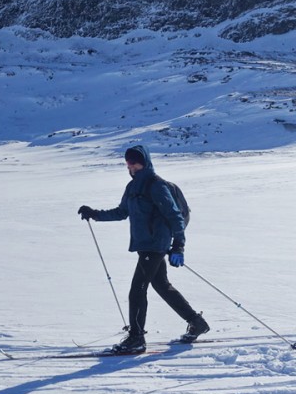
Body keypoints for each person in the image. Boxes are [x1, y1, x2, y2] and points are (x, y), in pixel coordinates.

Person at [78, 145, 209, 354]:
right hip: (145, 246)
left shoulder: (156, 185)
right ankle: (196, 322)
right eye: (129, 163)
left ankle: (136, 338)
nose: (131, 166)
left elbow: (175, 216)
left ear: (145, 162)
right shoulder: (132, 187)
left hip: (155, 246)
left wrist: (179, 246)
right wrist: (94, 213)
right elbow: (122, 212)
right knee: (162, 286)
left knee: (137, 290)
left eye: (135, 162)